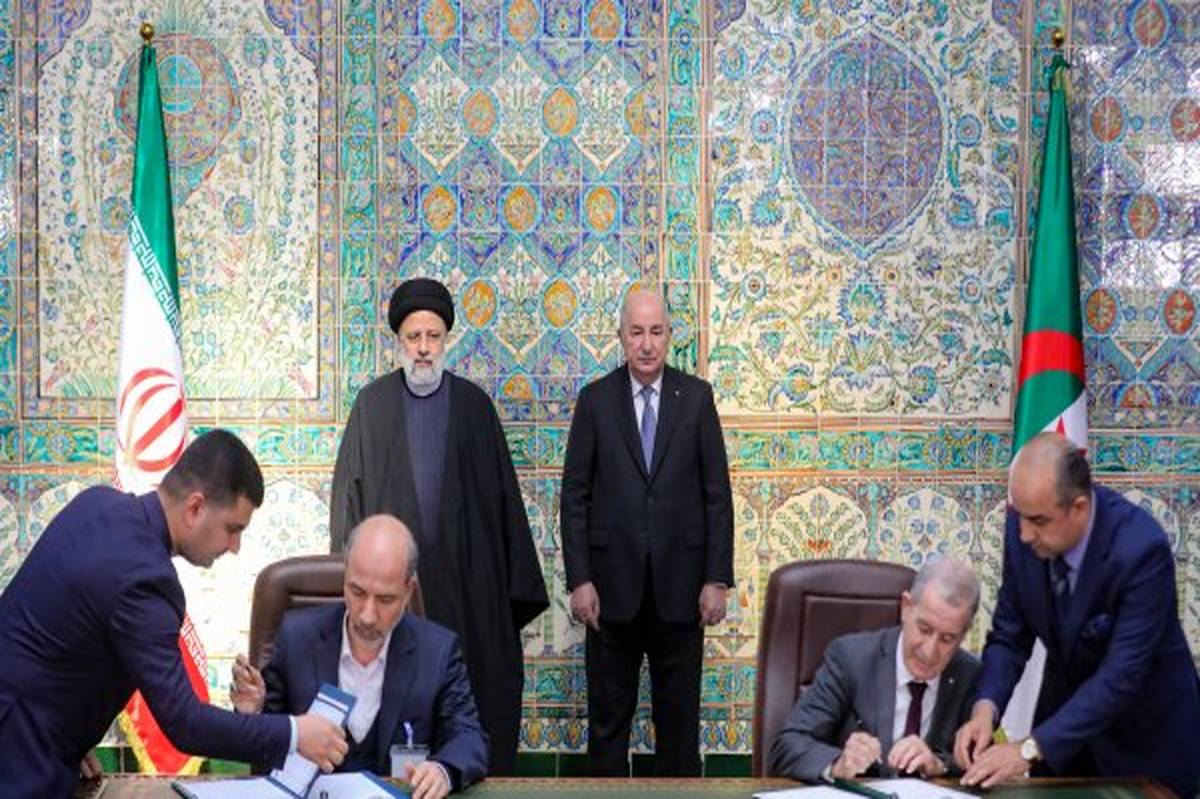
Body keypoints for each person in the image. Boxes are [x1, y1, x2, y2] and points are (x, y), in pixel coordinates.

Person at [0, 430, 347, 799]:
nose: (235, 546)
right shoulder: (145, 579)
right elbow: (185, 723)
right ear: (195, 508)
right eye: (233, 529)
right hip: (18, 757)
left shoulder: (97, 503)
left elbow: (51, 636)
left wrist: (73, 734)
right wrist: (295, 734)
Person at [329, 277, 548, 775]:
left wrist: (508, 599)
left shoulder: (475, 406)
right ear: (399, 341)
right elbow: (348, 509)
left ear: (446, 339)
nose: (424, 348)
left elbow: (504, 509)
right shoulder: (372, 406)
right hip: (396, 600)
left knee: (472, 716)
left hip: (469, 598)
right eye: (414, 337)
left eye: (433, 336)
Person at [955, 432, 1200, 798]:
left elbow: (1121, 676)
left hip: (1143, 743)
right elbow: (1010, 635)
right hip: (1066, 741)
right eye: (1020, 516)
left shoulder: (1141, 550)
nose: (1024, 534)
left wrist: (1028, 749)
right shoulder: (1022, 529)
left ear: (1079, 508)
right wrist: (984, 711)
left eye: (1038, 521)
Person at [560, 285, 735, 776]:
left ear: (669, 335)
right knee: (607, 728)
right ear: (620, 336)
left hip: (682, 592)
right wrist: (580, 580)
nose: (646, 344)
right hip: (609, 593)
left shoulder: (696, 399)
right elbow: (574, 497)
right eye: (636, 332)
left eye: (656, 332)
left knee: (678, 729)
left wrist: (716, 579)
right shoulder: (595, 401)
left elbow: (717, 495)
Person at [232, 515, 487, 799]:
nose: (367, 615)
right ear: (345, 579)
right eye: (357, 592)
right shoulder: (297, 637)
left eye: (385, 599)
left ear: (408, 591)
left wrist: (443, 770)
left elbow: (468, 737)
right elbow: (267, 735)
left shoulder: (437, 651)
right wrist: (252, 712)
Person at [769, 557, 981, 782]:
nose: (930, 652)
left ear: (963, 635)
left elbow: (978, 759)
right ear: (906, 607)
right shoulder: (850, 659)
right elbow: (787, 747)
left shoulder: (970, 675)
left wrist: (940, 764)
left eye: (947, 639)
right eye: (924, 629)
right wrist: (839, 764)